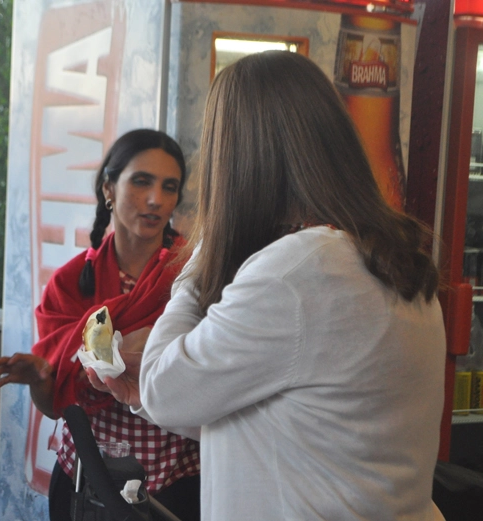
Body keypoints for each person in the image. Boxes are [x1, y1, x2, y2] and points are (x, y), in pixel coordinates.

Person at [92, 51, 446, 520]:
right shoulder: (383, 251)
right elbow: (289, 419)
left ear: (239, 162)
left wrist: (204, 258)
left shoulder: (296, 270)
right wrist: (154, 395)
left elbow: (162, 386)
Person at [0, 129, 201, 521]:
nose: (156, 199)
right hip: (85, 480)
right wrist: (40, 378)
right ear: (109, 187)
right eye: (141, 181)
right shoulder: (69, 284)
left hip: (176, 484)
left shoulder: (195, 276)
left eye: (169, 187)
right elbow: (57, 405)